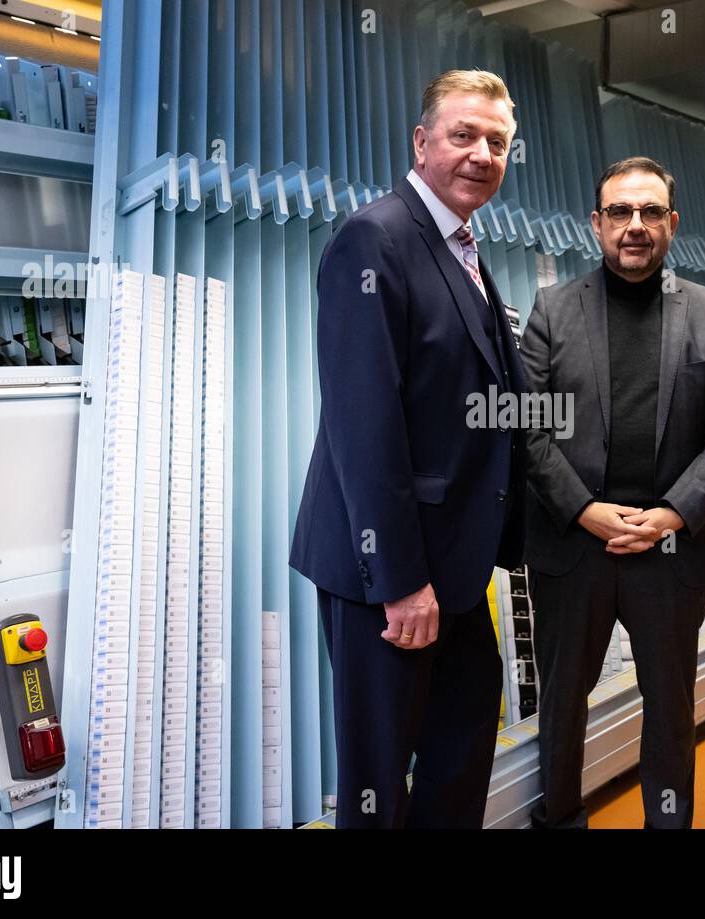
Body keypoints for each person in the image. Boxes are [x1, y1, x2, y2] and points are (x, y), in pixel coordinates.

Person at [289, 70, 526, 828]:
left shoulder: (463, 247)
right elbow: (364, 424)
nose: (482, 154)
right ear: (421, 143)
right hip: (385, 574)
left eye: (497, 141)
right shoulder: (377, 238)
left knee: (461, 747)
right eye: (464, 135)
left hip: (452, 564)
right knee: (378, 779)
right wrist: (399, 581)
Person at [520, 156, 705, 828]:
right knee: (563, 704)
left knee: (671, 707)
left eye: (651, 212)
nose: (635, 226)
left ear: (672, 224)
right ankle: (560, 818)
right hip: (573, 548)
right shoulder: (553, 311)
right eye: (620, 211)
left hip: (668, 550)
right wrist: (587, 511)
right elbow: (528, 433)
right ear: (596, 223)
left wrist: (670, 514)